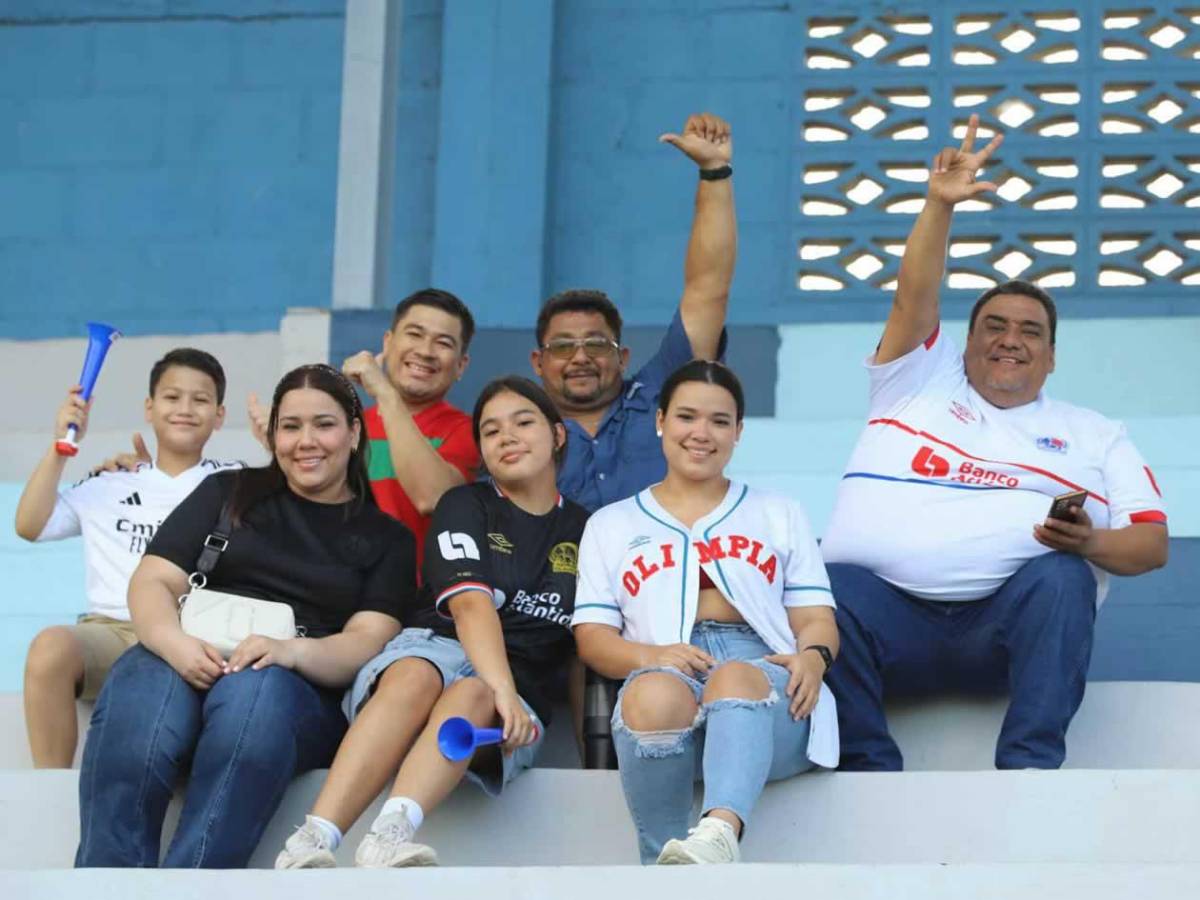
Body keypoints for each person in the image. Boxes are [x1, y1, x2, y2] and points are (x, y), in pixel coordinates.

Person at [820, 114, 1169, 772]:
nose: (1011, 339)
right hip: (886, 627)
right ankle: (868, 765)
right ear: (968, 340)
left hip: (1003, 636)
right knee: (824, 586)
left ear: (1052, 355)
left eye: (1030, 330)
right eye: (995, 325)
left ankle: (1030, 768)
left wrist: (1088, 542)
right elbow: (913, 297)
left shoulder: (1096, 432)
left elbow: (1150, 545)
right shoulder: (916, 383)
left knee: (1063, 577)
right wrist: (939, 204)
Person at [74, 364, 415, 868]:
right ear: (273, 432)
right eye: (290, 426)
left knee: (253, 696)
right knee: (138, 701)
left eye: (323, 424)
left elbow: (366, 639)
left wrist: (291, 652)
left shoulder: (387, 538)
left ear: (353, 430)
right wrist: (173, 642)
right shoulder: (226, 491)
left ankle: (195, 884)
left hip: (291, 684)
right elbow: (153, 581)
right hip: (186, 650)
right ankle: (105, 885)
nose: (306, 441)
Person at [275, 376, 588, 869]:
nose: (507, 437)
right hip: (435, 649)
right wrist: (500, 687)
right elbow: (469, 606)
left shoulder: (591, 531)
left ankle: (389, 836)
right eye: (490, 431)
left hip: (514, 695)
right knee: (419, 674)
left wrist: (583, 747)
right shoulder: (465, 504)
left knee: (475, 695)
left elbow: (586, 645)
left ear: (558, 435)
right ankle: (312, 839)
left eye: (523, 422)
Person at [572, 360, 840, 865]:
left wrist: (814, 657)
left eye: (719, 421)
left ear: (739, 431)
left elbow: (815, 616)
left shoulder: (778, 511)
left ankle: (719, 834)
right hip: (666, 666)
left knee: (735, 677)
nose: (702, 433)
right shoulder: (612, 524)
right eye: (686, 417)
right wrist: (654, 655)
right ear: (660, 422)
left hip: (768, 679)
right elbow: (593, 639)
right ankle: (664, 863)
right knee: (651, 693)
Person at [15, 348, 239, 768]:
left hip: (194, 636)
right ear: (149, 408)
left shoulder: (237, 482)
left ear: (220, 415)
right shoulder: (111, 481)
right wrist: (61, 448)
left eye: (200, 399)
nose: (185, 409)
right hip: (112, 634)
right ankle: (48, 784)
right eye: (172, 398)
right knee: (50, 648)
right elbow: (29, 525)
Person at [531, 112, 736, 513]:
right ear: (537, 362)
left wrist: (714, 172)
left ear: (622, 356)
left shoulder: (667, 390)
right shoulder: (518, 430)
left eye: (596, 343)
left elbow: (708, 287)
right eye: (562, 346)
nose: (580, 357)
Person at [338, 288, 480, 561]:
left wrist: (386, 394)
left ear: (461, 365)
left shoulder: (469, 432)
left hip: (416, 597)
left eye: (444, 343)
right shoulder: (347, 427)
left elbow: (433, 498)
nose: (425, 351)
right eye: (414, 334)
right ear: (388, 343)